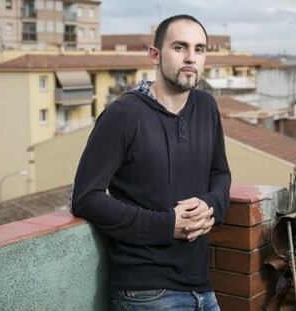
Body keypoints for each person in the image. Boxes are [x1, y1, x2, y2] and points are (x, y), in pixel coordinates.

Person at [71, 14, 231, 311]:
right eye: (180, 47)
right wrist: (166, 225)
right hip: (146, 293)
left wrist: (211, 205)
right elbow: (85, 198)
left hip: (202, 288)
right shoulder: (123, 115)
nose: (191, 58)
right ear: (154, 55)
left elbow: (220, 173)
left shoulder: (207, 107)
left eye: (199, 49)